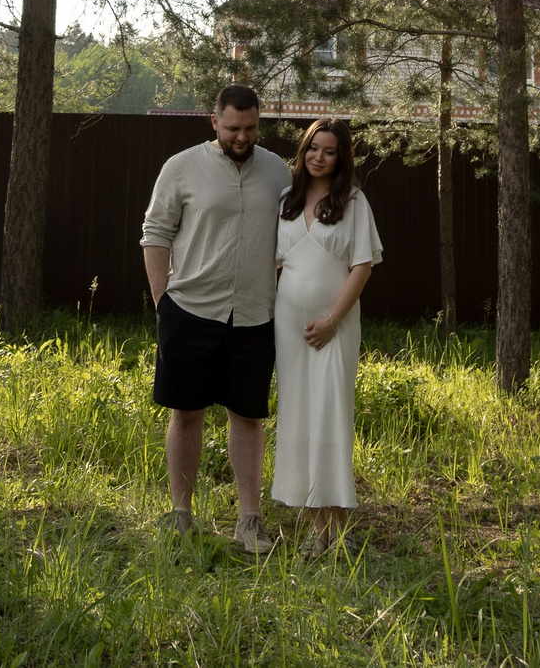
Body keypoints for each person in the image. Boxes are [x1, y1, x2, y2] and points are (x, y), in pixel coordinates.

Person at [140, 83, 290, 556]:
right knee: (186, 413)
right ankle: (181, 515)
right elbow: (155, 231)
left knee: (248, 417)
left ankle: (250, 520)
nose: (241, 137)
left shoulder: (278, 171)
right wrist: (162, 301)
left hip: (255, 315)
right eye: (232, 128)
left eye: (250, 128)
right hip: (190, 311)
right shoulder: (181, 167)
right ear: (214, 121)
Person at [270, 116, 382, 555]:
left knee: (331, 416)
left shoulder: (353, 201)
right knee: (299, 415)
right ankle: (319, 528)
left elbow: (362, 267)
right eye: (313, 148)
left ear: (341, 157)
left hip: (335, 328)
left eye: (329, 151)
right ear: (303, 151)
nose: (318, 157)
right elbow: (272, 263)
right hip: (290, 328)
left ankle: (340, 526)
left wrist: (333, 320)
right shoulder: (286, 199)